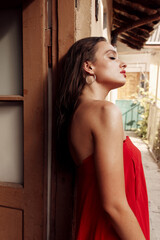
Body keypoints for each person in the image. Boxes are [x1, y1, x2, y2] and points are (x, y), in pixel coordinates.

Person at [56, 37, 150, 240]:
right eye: (112, 57)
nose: (123, 63)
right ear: (88, 67)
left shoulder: (78, 114)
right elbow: (114, 206)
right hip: (111, 233)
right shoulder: (105, 111)